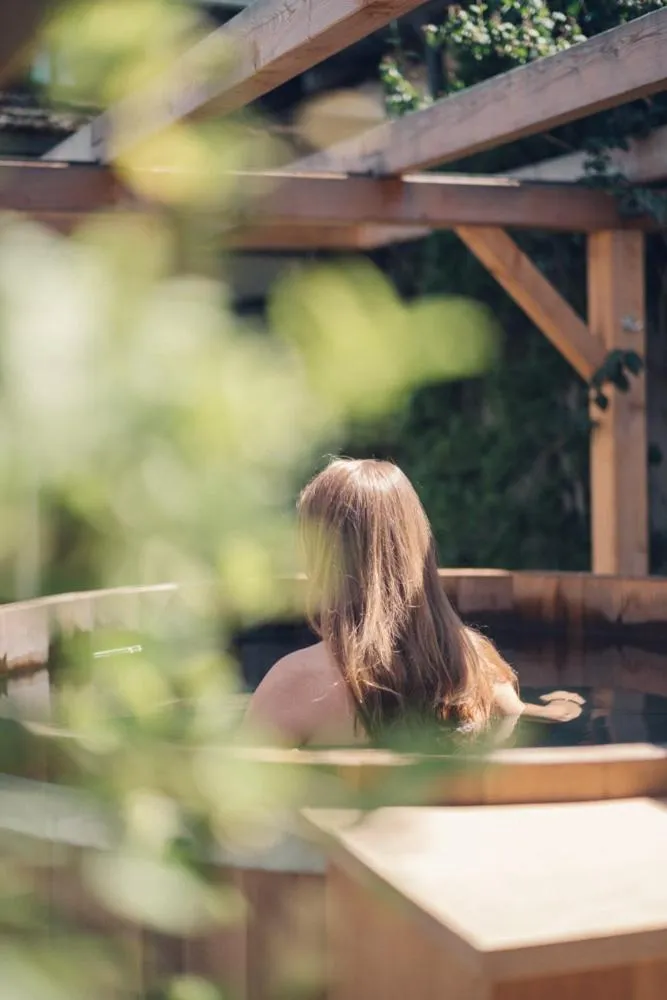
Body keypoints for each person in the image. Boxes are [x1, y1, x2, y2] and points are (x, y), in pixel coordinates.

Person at [246, 458, 583, 747]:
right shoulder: (480, 671)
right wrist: (564, 702)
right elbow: (526, 718)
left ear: (322, 559)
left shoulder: (295, 684)